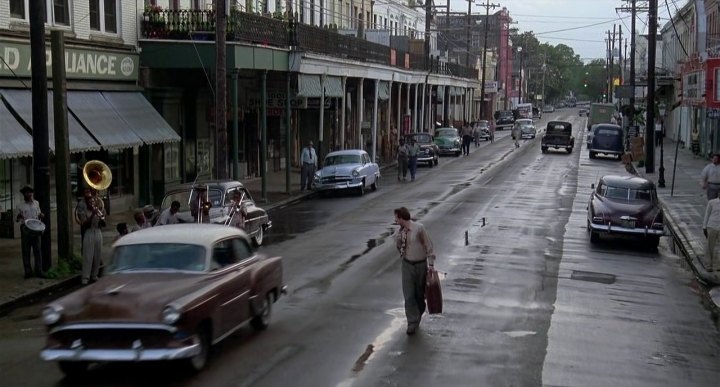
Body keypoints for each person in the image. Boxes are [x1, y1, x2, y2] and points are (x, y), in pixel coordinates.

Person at [393, 207, 435, 335]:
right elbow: (399, 248)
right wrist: (399, 238)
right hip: (407, 265)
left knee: (419, 295)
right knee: (408, 295)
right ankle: (412, 322)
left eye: (396, 217)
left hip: (420, 265)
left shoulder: (419, 228)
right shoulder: (400, 232)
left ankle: (418, 313)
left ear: (401, 217)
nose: (395, 220)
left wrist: (431, 264)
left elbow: (429, 246)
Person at [75, 188, 105, 285]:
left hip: (98, 231)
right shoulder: (81, 205)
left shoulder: (97, 203)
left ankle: (94, 275)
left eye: (90, 193)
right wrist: (92, 214)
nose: (90, 195)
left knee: (97, 254)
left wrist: (101, 215)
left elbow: (104, 224)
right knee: (88, 255)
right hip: (88, 232)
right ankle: (85, 277)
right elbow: (84, 223)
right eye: (87, 192)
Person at [15, 185, 44, 279]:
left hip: (35, 227)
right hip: (26, 228)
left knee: (38, 250)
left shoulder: (36, 203)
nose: (29, 194)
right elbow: (16, 219)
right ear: (24, 194)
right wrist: (19, 217)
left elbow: (39, 213)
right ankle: (28, 272)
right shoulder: (20, 205)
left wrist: (41, 215)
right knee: (26, 250)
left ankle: (39, 270)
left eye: (30, 192)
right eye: (27, 192)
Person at [703, 194, 720, 272]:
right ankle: (708, 266)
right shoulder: (712, 202)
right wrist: (704, 227)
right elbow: (707, 214)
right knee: (709, 247)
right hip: (712, 226)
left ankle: (718, 266)